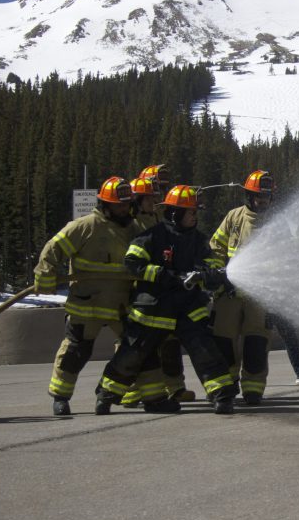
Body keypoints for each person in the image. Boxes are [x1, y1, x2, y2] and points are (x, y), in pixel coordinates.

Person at [94, 185, 238, 414]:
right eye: (191, 212)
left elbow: (213, 265)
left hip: (188, 308)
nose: (195, 217)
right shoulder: (152, 237)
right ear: (174, 213)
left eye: (195, 212)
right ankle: (106, 396)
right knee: (133, 353)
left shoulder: (199, 240)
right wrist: (167, 276)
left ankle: (222, 397)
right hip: (153, 307)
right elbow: (133, 263)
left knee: (205, 351)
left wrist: (206, 275)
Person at [34, 176, 136, 416]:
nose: (124, 209)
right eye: (119, 205)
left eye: (127, 205)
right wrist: (45, 278)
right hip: (87, 304)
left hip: (121, 305)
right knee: (75, 352)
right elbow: (53, 249)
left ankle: (108, 392)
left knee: (134, 350)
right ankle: (61, 397)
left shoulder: (133, 230)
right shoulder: (85, 226)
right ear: (106, 205)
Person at [210, 170, 299, 406]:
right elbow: (216, 247)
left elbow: (285, 257)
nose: (262, 200)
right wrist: (218, 274)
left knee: (256, 345)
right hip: (229, 295)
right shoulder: (234, 217)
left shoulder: (277, 223)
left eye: (266, 196)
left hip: (259, 298)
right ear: (249, 195)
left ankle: (253, 390)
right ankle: (225, 387)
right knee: (224, 343)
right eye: (258, 196)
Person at [120, 175, 195, 408]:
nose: (155, 201)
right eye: (150, 198)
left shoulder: (156, 221)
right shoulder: (130, 226)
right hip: (137, 294)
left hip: (161, 293)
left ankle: (175, 387)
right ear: (137, 200)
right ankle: (131, 391)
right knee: (137, 345)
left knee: (169, 343)